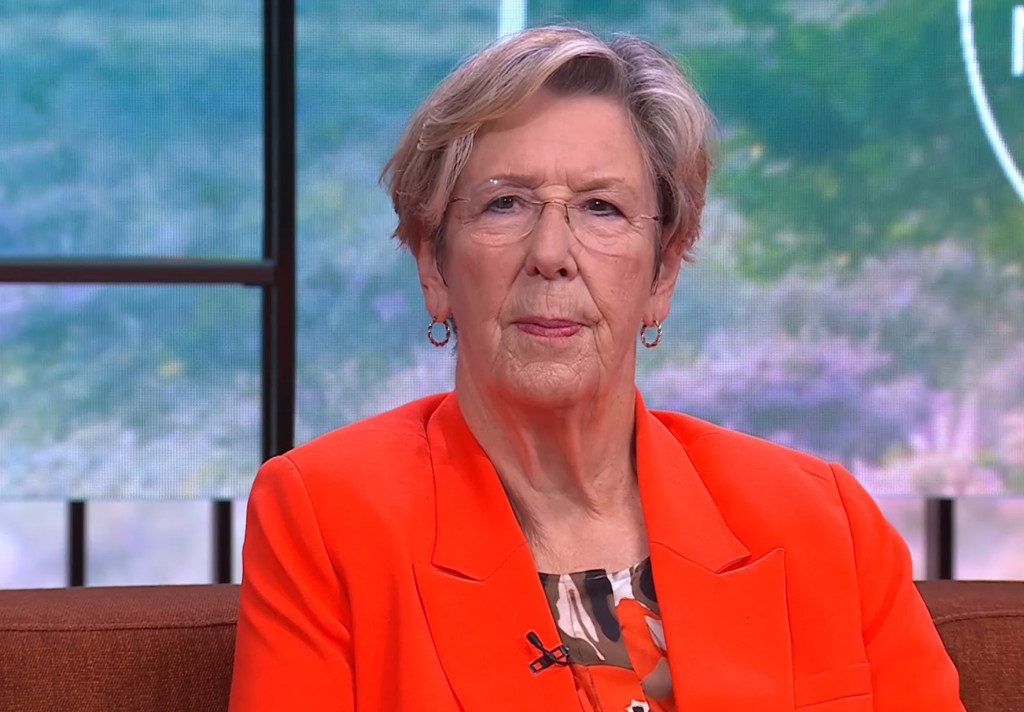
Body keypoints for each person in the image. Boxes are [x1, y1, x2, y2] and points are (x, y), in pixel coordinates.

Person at [228, 25, 965, 712]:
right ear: (433, 263)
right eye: (505, 204)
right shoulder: (326, 520)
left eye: (602, 208)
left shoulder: (825, 524)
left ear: (663, 270)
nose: (551, 253)